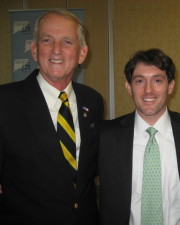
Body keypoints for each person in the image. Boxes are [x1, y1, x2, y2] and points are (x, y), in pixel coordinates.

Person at [0, 9, 103, 225]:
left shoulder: (92, 101)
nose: (56, 50)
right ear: (35, 50)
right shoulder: (5, 102)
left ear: (82, 53)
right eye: (47, 40)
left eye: (67, 42)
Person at [98, 48, 180, 225]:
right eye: (139, 81)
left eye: (157, 80)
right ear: (128, 87)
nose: (148, 90)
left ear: (170, 86)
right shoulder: (106, 136)